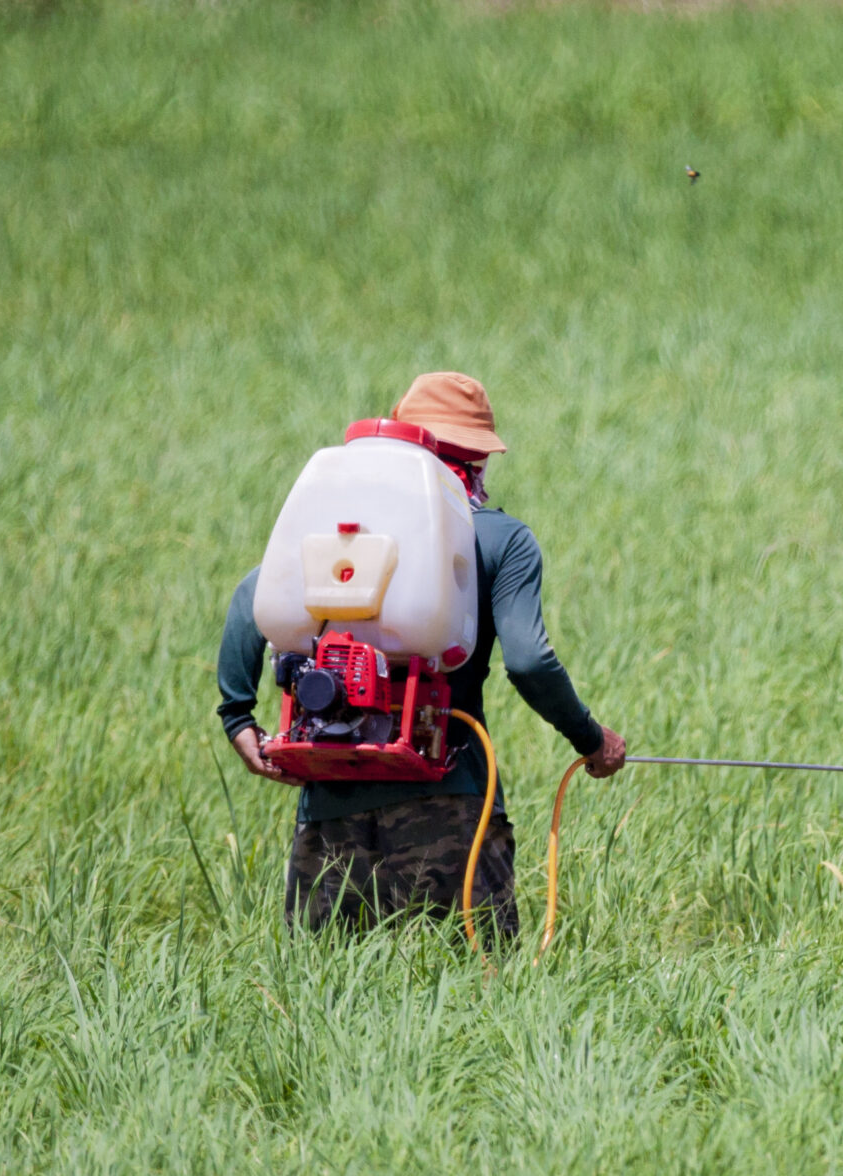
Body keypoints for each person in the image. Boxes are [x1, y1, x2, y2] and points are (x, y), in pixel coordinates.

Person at [215, 371, 626, 935]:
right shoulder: (501, 539)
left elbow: (252, 597)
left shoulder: (342, 537)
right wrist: (590, 737)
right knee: (474, 1001)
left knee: (328, 1002)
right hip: (452, 804)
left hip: (330, 806)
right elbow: (529, 661)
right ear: (478, 457)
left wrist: (239, 720)